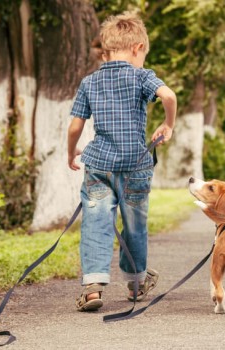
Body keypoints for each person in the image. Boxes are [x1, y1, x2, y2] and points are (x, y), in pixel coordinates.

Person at [67, 11, 177, 311]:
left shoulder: (90, 82)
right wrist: (168, 124)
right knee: (135, 226)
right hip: (136, 166)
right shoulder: (142, 76)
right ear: (137, 47)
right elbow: (168, 96)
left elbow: (76, 126)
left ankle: (92, 288)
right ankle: (136, 283)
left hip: (99, 167)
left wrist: (71, 152)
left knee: (96, 223)